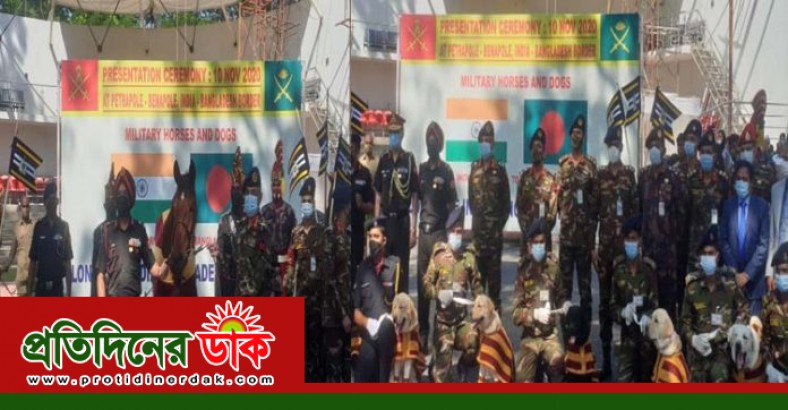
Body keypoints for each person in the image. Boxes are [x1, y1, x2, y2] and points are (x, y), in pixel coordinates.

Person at [594, 124, 638, 379]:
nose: (614, 148)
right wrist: (593, 248)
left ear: (621, 147)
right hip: (604, 251)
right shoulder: (600, 176)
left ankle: (627, 359)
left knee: (625, 300)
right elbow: (593, 213)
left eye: (617, 145)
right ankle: (607, 358)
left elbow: (635, 215)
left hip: (624, 253)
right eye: (610, 144)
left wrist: (635, 247)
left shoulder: (629, 176)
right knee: (604, 305)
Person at [682, 227, 749, 382]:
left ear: (718, 256)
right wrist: (693, 339)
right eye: (704, 254)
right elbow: (685, 322)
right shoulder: (692, 288)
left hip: (723, 351)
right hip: (699, 353)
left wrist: (732, 331)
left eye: (711, 253)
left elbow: (744, 312)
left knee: (719, 376)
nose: (707, 257)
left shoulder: (730, 284)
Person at [422, 205, 481, 382]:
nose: (457, 235)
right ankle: (437, 364)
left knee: (474, 341)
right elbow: (426, 286)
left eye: (459, 232)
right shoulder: (439, 255)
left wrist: (479, 314)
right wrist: (439, 294)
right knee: (442, 378)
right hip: (443, 324)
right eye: (454, 232)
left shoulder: (468, 257)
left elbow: (478, 290)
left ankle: (463, 365)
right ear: (448, 233)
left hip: (461, 321)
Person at [512, 219, 570, 382]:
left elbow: (561, 296)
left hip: (549, 336)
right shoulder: (523, 270)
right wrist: (534, 314)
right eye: (536, 242)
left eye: (542, 242)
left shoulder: (553, 268)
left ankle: (547, 372)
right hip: (530, 337)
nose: (539, 246)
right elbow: (515, 314)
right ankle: (537, 370)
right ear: (529, 245)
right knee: (522, 379)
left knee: (559, 364)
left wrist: (565, 305)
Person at [416, 121, 457, 349]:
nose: (431, 143)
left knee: (441, 284)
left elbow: (452, 203)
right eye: (428, 139)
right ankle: (423, 332)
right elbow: (416, 199)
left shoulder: (446, 170)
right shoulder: (421, 169)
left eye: (434, 140)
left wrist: (448, 233)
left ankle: (440, 333)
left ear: (439, 144)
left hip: (439, 234)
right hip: (423, 234)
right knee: (423, 286)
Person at [285, 177, 330, 382]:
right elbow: (291, 262)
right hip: (300, 298)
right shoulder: (295, 233)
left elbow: (327, 266)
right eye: (303, 201)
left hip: (318, 301)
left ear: (314, 202)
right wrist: (287, 287)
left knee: (318, 347)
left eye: (309, 201)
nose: (306, 205)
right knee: (300, 349)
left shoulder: (322, 232)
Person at [638, 127, 685, 321]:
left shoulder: (674, 177)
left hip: (668, 255)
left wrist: (673, 242)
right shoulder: (643, 177)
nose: (655, 150)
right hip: (648, 252)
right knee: (648, 303)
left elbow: (681, 214)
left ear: (664, 149)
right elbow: (640, 210)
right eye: (652, 147)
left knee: (667, 306)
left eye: (658, 146)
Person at [96, 169, 166, 297]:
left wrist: (170, 260)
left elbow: (156, 270)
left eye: (125, 193)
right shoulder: (107, 232)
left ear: (131, 197)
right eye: (119, 193)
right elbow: (100, 275)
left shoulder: (139, 231)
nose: (122, 197)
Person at [684, 128, 729, 314]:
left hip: (716, 251)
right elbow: (685, 215)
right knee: (694, 297)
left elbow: (726, 215)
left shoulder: (723, 182)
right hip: (695, 251)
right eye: (703, 152)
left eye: (709, 152)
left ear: (715, 155)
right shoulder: (691, 180)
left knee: (717, 299)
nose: (706, 156)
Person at [468, 120, 511, 311]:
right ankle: (478, 328)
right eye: (483, 139)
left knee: (494, 292)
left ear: (493, 143)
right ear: (480, 143)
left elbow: (506, 205)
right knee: (477, 291)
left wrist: (496, 227)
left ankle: (496, 328)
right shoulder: (474, 170)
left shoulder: (500, 171)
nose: (486, 143)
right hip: (478, 240)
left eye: (489, 139)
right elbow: (471, 201)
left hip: (494, 241)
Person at [556, 115, 598, 310]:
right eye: (573, 133)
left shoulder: (590, 166)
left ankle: (584, 326)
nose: (576, 136)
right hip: (566, 237)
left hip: (583, 239)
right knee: (564, 289)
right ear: (570, 136)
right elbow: (557, 199)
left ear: (583, 137)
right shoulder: (563, 165)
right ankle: (566, 325)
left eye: (579, 133)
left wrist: (592, 238)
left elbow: (595, 204)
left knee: (585, 289)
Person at [374, 113, 419, 295]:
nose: (393, 136)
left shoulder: (408, 159)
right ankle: (385, 307)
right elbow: (378, 194)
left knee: (402, 269)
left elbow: (414, 196)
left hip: (402, 222)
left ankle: (402, 306)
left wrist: (413, 229)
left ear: (402, 134)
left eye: (396, 133)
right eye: (391, 133)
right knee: (383, 267)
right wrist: (376, 224)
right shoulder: (383, 160)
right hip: (385, 221)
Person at [610, 216, 658, 382]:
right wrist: (623, 313)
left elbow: (655, 305)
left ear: (640, 241)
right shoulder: (618, 270)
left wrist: (648, 316)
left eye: (634, 239)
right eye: (628, 239)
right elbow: (612, 307)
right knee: (623, 380)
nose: (631, 243)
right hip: (628, 338)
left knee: (648, 379)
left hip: (646, 339)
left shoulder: (649, 269)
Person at [720, 160, 770, 315]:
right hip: (732, 281)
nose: (741, 182)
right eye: (738, 178)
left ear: (751, 183)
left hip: (754, 283)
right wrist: (735, 272)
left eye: (745, 179)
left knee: (754, 328)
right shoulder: (728, 206)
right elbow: (723, 239)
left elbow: (763, 244)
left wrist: (747, 274)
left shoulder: (762, 207)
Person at [353, 216, 399, 383]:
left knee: (385, 327)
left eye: (376, 236)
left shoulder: (395, 266)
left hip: (389, 329)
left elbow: (404, 303)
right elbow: (355, 310)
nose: (372, 240)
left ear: (384, 240)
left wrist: (392, 318)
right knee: (366, 364)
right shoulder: (362, 269)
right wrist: (368, 323)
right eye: (370, 236)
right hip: (369, 331)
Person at [324, 182, 353, 382]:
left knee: (347, 372)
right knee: (334, 375)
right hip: (334, 319)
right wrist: (343, 315)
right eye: (347, 209)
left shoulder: (348, 237)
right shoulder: (329, 239)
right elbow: (330, 280)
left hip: (349, 318)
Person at [235, 167, 277, 297]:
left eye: (254, 193)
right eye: (247, 193)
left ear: (260, 197)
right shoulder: (239, 227)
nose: (250, 197)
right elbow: (236, 267)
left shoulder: (266, 230)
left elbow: (266, 270)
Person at [260, 149, 297, 293]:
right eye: (273, 185)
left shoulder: (289, 211)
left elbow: (294, 240)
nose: (276, 189)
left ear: (282, 187)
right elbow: (260, 239)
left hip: (284, 267)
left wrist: (290, 266)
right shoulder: (264, 211)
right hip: (267, 266)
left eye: (278, 185)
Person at [515, 127, 557, 254]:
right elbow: (519, 207)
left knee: (544, 267)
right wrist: (527, 232)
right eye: (533, 147)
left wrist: (542, 232)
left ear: (544, 152)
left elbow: (553, 212)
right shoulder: (524, 178)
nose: (535, 150)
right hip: (526, 239)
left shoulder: (550, 179)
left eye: (539, 146)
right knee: (526, 267)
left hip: (543, 239)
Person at [29, 181, 73, 297]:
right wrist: (29, 292)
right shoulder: (39, 227)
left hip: (57, 289)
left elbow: (67, 262)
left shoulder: (64, 227)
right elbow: (33, 261)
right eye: (49, 199)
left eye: (54, 199)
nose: (52, 203)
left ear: (57, 202)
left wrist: (69, 294)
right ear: (45, 202)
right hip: (41, 289)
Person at [211, 147, 245, 296]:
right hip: (229, 285)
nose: (236, 195)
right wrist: (216, 254)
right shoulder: (224, 221)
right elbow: (221, 258)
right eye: (234, 191)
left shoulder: (252, 222)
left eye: (239, 191)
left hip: (247, 286)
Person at [761, 241, 788, 383]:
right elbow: (763, 340)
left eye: (786, 271)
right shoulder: (768, 302)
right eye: (778, 271)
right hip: (777, 372)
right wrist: (768, 366)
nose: (781, 275)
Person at [351, 133, 375, 284]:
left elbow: (372, 205)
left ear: (358, 150)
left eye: (353, 149)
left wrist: (361, 205)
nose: (351, 153)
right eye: (348, 149)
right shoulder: (339, 173)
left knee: (357, 271)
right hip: (341, 233)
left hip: (357, 230)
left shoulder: (364, 174)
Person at [0, 195, 35, 296]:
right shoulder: (16, 227)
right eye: (23, 206)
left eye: (27, 206)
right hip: (21, 277)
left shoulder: (36, 226)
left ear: (30, 208)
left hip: (33, 277)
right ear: (20, 208)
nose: (25, 209)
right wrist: (4, 268)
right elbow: (12, 254)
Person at [91, 165, 115, 296]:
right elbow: (95, 269)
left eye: (112, 202)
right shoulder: (98, 231)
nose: (110, 205)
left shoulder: (124, 231)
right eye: (108, 202)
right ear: (105, 205)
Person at [738, 122, 775, 203]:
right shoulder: (735, 170)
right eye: (742, 150)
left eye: (748, 149)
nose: (745, 153)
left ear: (754, 150)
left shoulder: (765, 168)